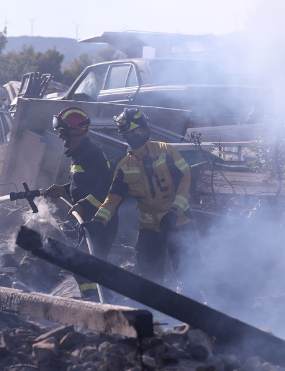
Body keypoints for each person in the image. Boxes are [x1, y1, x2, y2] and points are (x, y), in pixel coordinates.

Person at [90, 109, 194, 286]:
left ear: (147, 129)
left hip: (179, 224)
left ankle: (196, 310)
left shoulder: (166, 151)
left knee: (190, 274)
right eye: (132, 132)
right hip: (149, 230)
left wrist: (174, 212)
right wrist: (98, 220)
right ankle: (157, 313)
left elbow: (187, 180)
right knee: (150, 278)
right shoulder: (123, 166)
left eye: (141, 129)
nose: (138, 134)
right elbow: (113, 198)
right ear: (125, 135)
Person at [41, 107, 117, 302]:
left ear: (76, 131)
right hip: (89, 220)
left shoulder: (91, 154)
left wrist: (83, 204)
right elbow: (84, 184)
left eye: (63, 132)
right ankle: (99, 300)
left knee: (83, 264)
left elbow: (106, 188)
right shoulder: (80, 154)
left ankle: (96, 301)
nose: (61, 137)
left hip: (100, 221)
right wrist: (65, 189)